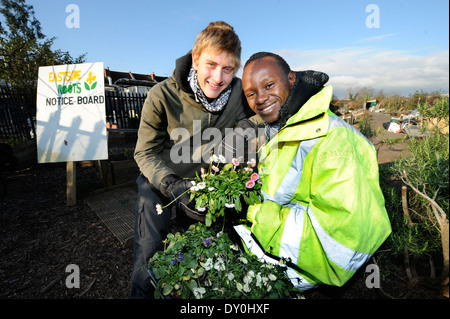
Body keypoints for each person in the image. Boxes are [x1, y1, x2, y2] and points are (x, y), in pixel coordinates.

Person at [234, 52, 392, 291]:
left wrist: (254, 213)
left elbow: (341, 245)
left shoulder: (334, 140)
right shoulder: (283, 129)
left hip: (290, 275)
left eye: (268, 85)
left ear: (291, 79)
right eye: (251, 94)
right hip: (267, 257)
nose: (260, 99)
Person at [130, 21, 259, 298]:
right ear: (196, 59)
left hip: (204, 185)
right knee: (149, 252)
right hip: (160, 182)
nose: (218, 77)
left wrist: (248, 126)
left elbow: (266, 109)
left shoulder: (238, 93)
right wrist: (172, 186)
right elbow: (144, 152)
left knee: (204, 253)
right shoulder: (162, 95)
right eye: (211, 65)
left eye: (227, 69)